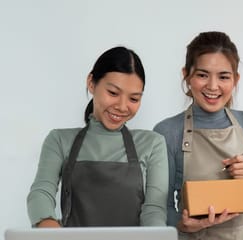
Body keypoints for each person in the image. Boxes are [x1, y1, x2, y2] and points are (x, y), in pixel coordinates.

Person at [153, 32, 243, 240]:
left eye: (223, 76)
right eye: (202, 75)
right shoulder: (167, 132)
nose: (213, 86)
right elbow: (160, 208)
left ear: (235, 80)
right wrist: (181, 224)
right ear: (187, 76)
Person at [27, 46, 169, 227]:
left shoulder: (152, 143)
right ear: (91, 83)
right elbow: (41, 192)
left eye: (133, 99)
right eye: (113, 93)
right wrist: (49, 227)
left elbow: (154, 209)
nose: (122, 106)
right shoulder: (59, 140)